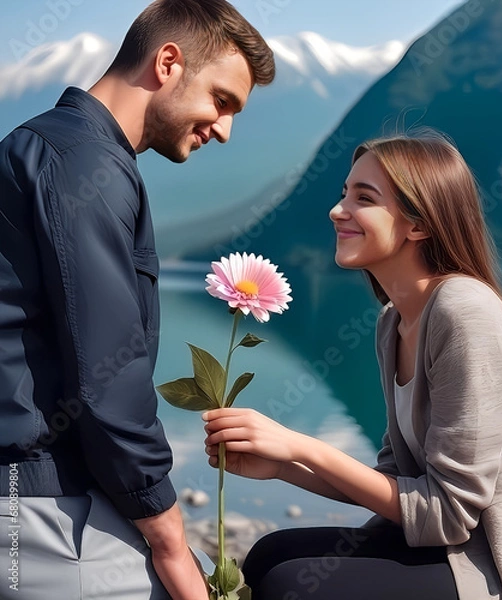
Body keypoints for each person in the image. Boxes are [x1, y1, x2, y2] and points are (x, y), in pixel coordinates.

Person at [203, 132, 502, 599]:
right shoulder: (394, 322)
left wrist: (302, 447)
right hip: (457, 541)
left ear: (419, 225)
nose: (337, 210)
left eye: (363, 198)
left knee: (291, 584)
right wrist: (283, 466)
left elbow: (449, 514)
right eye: (343, 193)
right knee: (269, 554)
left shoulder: (463, 311)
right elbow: (397, 482)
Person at [0, 1, 275, 598]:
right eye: (222, 101)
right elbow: (106, 376)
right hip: (42, 508)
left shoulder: (55, 148)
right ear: (168, 63)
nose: (224, 130)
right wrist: (169, 536)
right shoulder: (83, 164)